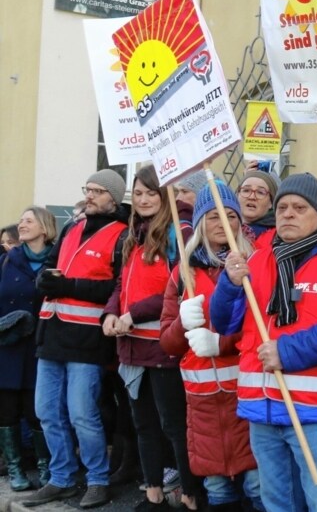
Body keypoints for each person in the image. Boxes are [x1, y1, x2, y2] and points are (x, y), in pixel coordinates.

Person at [209, 173, 317, 512]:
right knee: (275, 504)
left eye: (299, 207)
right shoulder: (256, 258)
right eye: (282, 206)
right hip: (262, 407)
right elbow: (224, 324)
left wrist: (286, 351)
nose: (288, 213)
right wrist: (228, 283)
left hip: (315, 410)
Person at [29, 169, 129, 508]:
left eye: (98, 191)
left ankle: (97, 480)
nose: (90, 195)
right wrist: (45, 278)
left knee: (82, 414)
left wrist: (68, 287)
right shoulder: (72, 226)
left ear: (114, 199)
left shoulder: (122, 234)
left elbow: (118, 289)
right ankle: (61, 478)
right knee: (46, 411)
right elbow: (54, 266)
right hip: (52, 333)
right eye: (88, 189)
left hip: (87, 340)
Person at [102, 166, 201, 510]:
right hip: (131, 346)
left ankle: (189, 493)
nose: (143, 200)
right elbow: (121, 284)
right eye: (138, 193)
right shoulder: (134, 232)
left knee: (174, 425)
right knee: (143, 424)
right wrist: (112, 312)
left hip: (163, 345)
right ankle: (153, 492)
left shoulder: (179, 231)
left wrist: (134, 313)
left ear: (166, 196)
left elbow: (180, 288)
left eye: (151, 193)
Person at [159, 181, 262, 512]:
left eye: (231, 215)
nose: (224, 223)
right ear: (202, 221)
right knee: (217, 486)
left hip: (248, 394)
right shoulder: (182, 274)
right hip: (202, 402)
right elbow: (168, 343)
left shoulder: (255, 265)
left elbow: (263, 327)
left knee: (258, 484)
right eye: (214, 216)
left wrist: (222, 343)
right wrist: (182, 325)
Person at [0, 207, 57, 491]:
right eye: (21, 220)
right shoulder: (7, 261)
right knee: (7, 411)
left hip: (41, 347)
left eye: (29, 221)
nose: (21, 224)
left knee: (38, 410)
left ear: (44, 228)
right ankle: (15, 470)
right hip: (8, 347)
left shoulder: (56, 260)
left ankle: (46, 468)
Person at [238, 170, 279, 249]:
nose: (252, 197)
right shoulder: (223, 230)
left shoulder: (278, 237)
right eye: (246, 190)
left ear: (271, 202)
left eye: (260, 192)